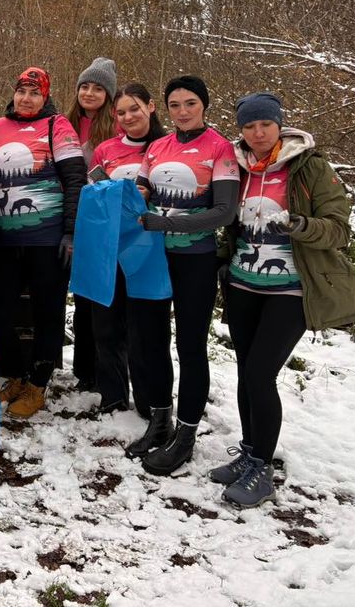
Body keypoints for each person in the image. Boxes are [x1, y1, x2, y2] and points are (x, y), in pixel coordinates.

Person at [211, 92, 355, 508]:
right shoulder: (237, 169)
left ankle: (261, 468)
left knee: (261, 374)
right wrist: (223, 262)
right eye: (249, 126)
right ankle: (249, 451)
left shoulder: (310, 168)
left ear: (280, 124)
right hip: (243, 285)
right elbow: (232, 223)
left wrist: (301, 224)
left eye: (265, 124)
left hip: (291, 290)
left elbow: (338, 228)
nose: (258, 133)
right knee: (247, 371)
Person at [130, 75, 239, 475]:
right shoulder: (157, 147)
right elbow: (142, 191)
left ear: (204, 105)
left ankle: (187, 435)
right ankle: (160, 422)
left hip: (195, 259)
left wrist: (167, 224)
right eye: (174, 105)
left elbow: (225, 212)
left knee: (191, 348)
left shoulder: (221, 149)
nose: (182, 111)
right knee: (151, 342)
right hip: (153, 259)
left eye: (190, 103)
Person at [0, 67, 86, 419]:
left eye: (34, 93)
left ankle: (39, 383)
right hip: (7, 239)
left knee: (47, 312)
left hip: (48, 239)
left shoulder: (58, 126)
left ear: (45, 96)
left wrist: (70, 231)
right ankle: (14, 373)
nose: (27, 98)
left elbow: (75, 180)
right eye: (21, 91)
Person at [85, 83, 164, 415]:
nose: (128, 116)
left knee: (143, 329)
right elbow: (95, 194)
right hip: (109, 245)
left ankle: (149, 402)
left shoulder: (165, 146)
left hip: (150, 248)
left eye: (135, 108)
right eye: (121, 112)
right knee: (106, 323)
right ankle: (113, 395)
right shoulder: (105, 149)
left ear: (151, 106)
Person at [66, 57, 119, 393]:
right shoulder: (65, 123)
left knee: (102, 296)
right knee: (81, 294)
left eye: (98, 88)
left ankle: (104, 368)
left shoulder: (115, 124)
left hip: (103, 219)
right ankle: (82, 368)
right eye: (85, 86)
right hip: (74, 215)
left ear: (109, 95)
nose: (89, 92)